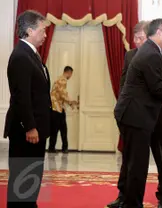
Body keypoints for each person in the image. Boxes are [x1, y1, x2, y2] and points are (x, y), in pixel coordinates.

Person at [113, 18, 162, 208]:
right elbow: (157, 88)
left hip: (140, 114)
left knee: (137, 164)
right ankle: (131, 203)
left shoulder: (152, 51)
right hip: (136, 116)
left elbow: (161, 84)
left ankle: (140, 200)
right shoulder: (151, 53)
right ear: (161, 32)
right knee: (136, 166)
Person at [3, 10, 51, 208]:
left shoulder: (31, 54)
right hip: (26, 131)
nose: (45, 34)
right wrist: (30, 126)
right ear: (30, 30)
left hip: (35, 129)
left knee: (31, 174)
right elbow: (22, 97)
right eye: (43, 30)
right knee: (22, 176)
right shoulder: (21, 56)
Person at [48, 66, 77, 153]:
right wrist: (71, 102)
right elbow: (63, 94)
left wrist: (69, 102)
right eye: (71, 74)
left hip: (57, 108)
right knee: (59, 129)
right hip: (56, 108)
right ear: (69, 72)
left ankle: (56, 148)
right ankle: (59, 148)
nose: (71, 76)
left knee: (59, 128)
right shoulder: (62, 80)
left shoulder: (59, 79)